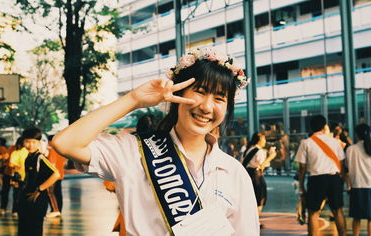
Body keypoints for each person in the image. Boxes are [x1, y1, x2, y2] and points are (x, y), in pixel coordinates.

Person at [52, 48, 260, 235]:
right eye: (200, 91)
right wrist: (134, 99)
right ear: (178, 93)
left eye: (219, 98)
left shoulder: (234, 173)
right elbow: (65, 143)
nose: (206, 107)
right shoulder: (132, 151)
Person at [295, 115, 347, 236]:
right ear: (324, 126)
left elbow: (302, 167)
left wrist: (301, 185)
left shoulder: (306, 143)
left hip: (316, 179)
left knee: (313, 212)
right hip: (334, 178)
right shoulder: (334, 142)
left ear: (311, 128)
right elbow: (341, 163)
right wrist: (343, 180)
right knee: (338, 210)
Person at [17, 128, 60, 236]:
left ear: (39, 143)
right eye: (27, 141)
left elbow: (56, 174)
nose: (30, 145)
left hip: (37, 200)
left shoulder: (40, 158)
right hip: (27, 198)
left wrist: (40, 189)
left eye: (34, 142)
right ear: (23, 142)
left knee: (34, 230)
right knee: (24, 229)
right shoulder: (28, 157)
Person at [242, 132, 277, 220]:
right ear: (259, 141)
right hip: (256, 176)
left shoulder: (247, 149)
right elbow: (262, 165)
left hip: (247, 174)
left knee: (249, 198)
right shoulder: (259, 151)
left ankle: (250, 220)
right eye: (264, 139)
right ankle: (255, 220)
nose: (265, 141)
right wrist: (271, 156)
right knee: (259, 198)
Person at [345, 124, 371, 236]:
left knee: (356, 217)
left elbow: (346, 167)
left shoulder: (350, 149)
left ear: (356, 135)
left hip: (357, 186)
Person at [45, 135, 67, 218]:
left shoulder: (52, 150)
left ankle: (55, 210)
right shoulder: (60, 150)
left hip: (53, 175)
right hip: (60, 174)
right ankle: (58, 210)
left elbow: (52, 163)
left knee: (51, 193)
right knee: (58, 193)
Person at [9, 137, 29, 216]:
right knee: (24, 193)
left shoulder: (16, 152)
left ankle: (16, 210)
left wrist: (17, 165)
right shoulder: (28, 152)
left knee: (17, 194)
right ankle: (24, 209)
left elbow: (11, 164)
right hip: (25, 176)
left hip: (18, 176)